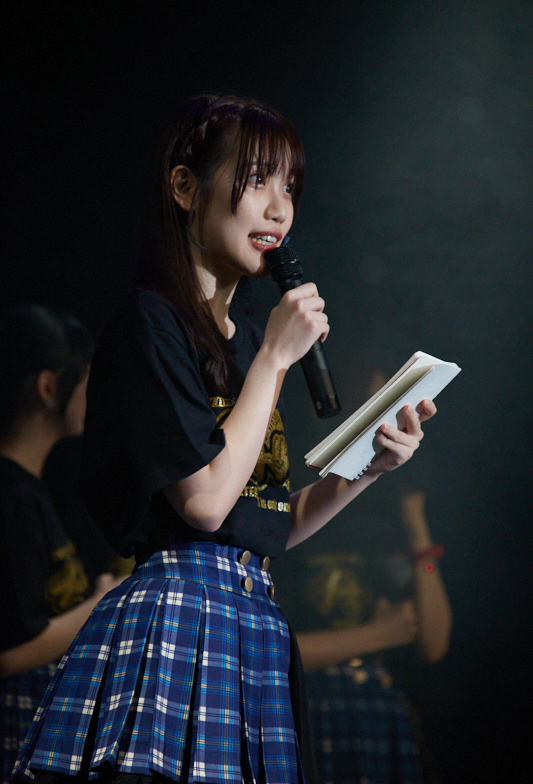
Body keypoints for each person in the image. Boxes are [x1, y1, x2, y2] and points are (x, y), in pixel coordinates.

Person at [13, 94, 437, 784]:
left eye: (289, 188)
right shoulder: (151, 324)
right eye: (257, 180)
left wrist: (368, 468)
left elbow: (266, 522)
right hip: (180, 615)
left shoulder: (248, 345)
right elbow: (207, 504)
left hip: (251, 620)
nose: (279, 210)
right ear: (185, 187)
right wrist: (275, 359)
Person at [0, 304, 121, 784]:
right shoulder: (10, 495)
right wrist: (103, 604)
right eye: (87, 378)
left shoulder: (31, 488)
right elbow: (9, 653)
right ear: (49, 387)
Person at [289, 488, 452, 784]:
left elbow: (434, 645)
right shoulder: (291, 512)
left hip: (378, 721)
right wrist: (378, 635)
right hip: (306, 710)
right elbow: (273, 651)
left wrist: (416, 529)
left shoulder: (389, 514)